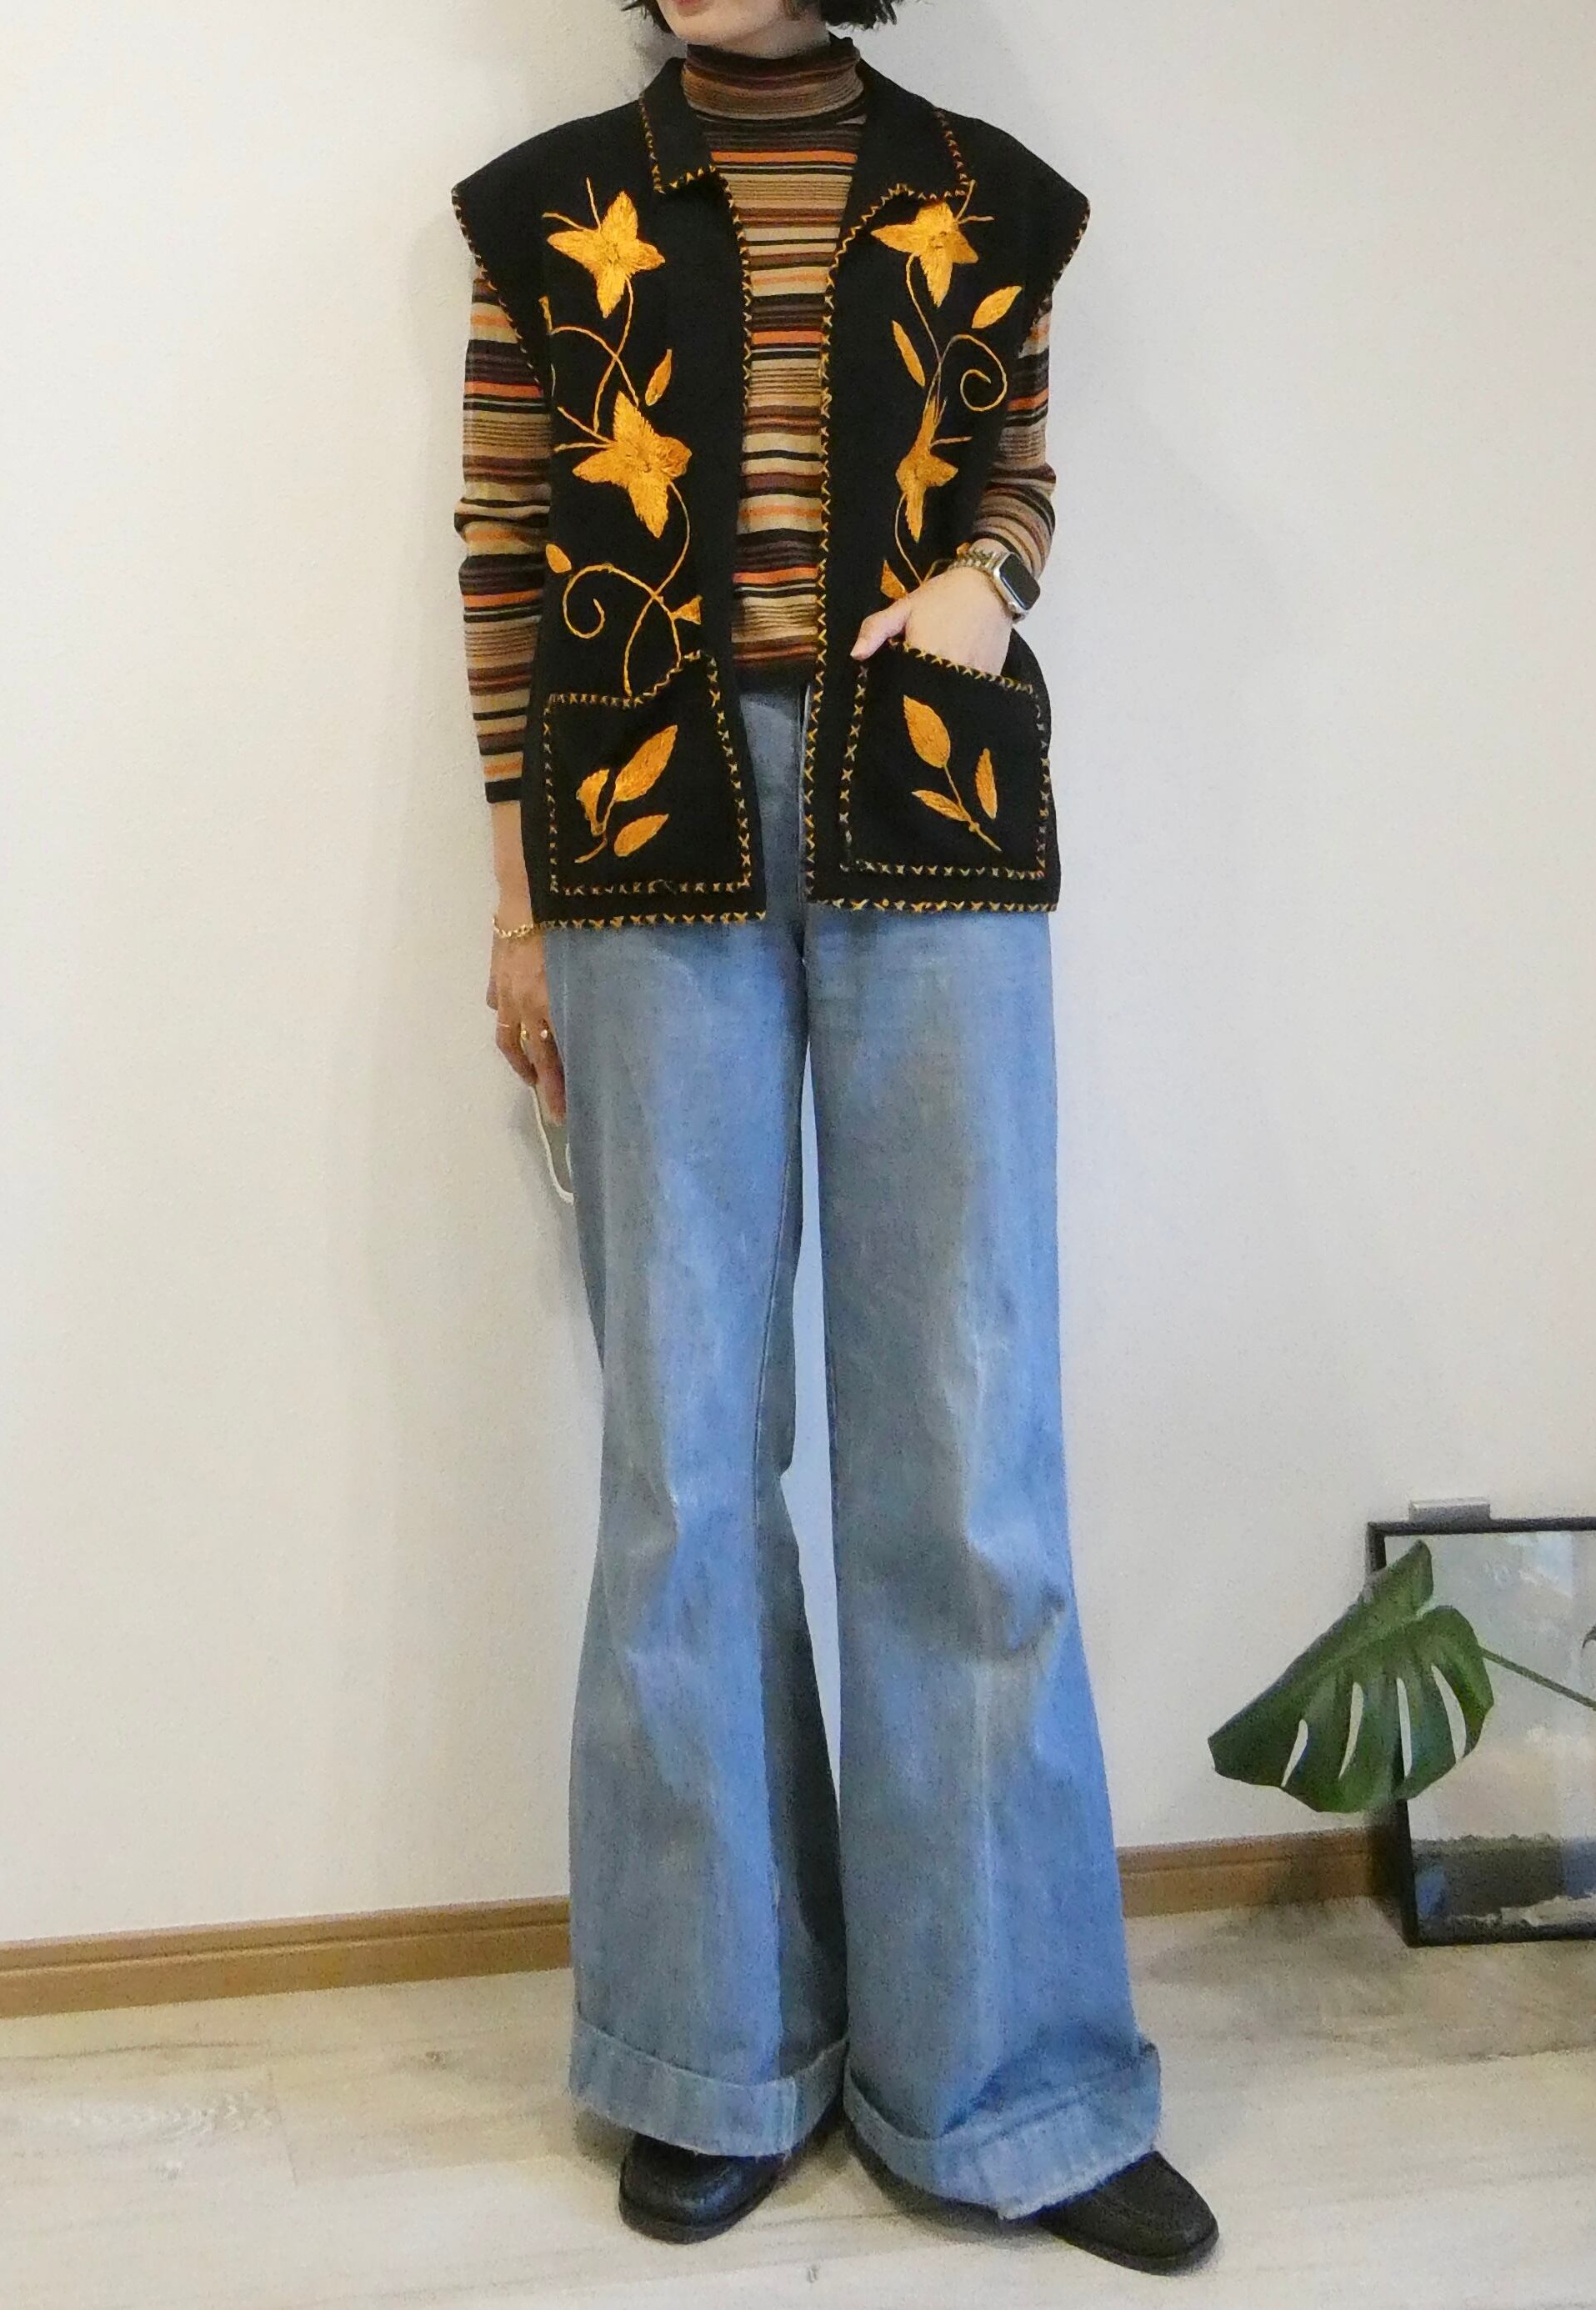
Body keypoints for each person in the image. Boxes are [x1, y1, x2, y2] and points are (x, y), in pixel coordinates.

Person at [451, 0, 1218, 2274]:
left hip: (932, 810)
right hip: (636, 831)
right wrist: (513, 903)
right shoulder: (545, 214)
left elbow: (1019, 467)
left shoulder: (986, 194)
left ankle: (1011, 2080)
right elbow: (504, 553)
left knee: (965, 1452)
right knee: (682, 1459)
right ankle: (715, 2054)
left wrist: (991, 578)